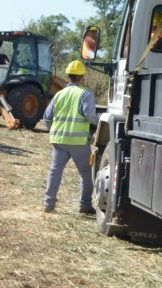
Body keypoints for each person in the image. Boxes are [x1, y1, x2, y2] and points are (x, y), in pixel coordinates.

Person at [42, 60, 99, 214]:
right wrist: (100, 123)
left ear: (67, 76)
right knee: (87, 173)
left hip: (58, 140)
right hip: (78, 142)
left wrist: (52, 130)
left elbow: (47, 117)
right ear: (82, 77)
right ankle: (84, 206)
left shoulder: (59, 94)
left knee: (55, 171)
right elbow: (90, 116)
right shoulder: (85, 93)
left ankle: (48, 204)